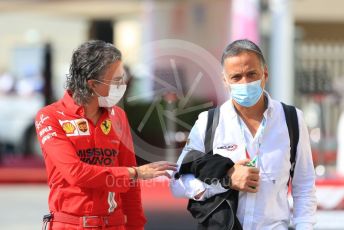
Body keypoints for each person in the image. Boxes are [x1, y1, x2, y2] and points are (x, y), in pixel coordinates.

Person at [170, 39, 316, 229]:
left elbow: (304, 185)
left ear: (265, 74)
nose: (244, 82)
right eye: (236, 77)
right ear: (225, 81)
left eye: (251, 74)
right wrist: (225, 181)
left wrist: (304, 226)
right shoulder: (208, 122)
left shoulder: (292, 119)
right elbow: (178, 182)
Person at [35, 40, 177, 230]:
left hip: (114, 224)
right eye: (117, 80)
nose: (123, 84)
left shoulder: (118, 116)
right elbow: (76, 173)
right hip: (70, 225)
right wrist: (135, 173)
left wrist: (136, 226)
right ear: (92, 84)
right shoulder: (50, 116)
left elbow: (130, 188)